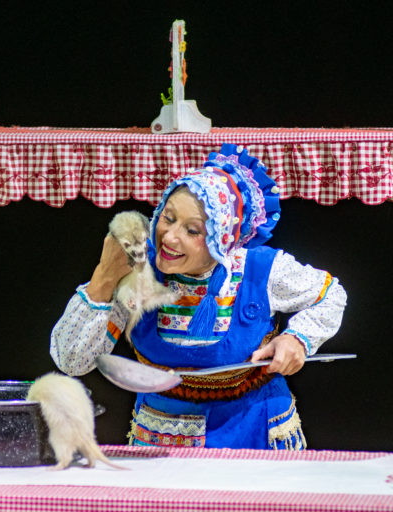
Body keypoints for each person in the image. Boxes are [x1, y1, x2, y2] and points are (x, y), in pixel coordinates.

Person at [50, 144, 346, 450]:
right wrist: (103, 277)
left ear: (223, 239)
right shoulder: (137, 274)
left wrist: (297, 339)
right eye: (168, 218)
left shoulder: (261, 270)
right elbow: (73, 361)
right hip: (164, 437)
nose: (169, 237)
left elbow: (331, 295)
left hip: (253, 429)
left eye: (192, 230)